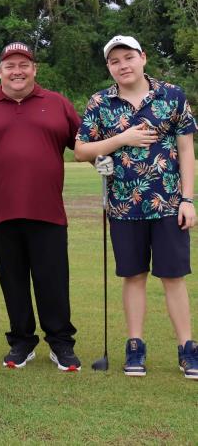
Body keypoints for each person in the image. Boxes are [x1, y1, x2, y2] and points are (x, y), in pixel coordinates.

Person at [74, 35, 197, 379]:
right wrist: (120, 141)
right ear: (109, 68)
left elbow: (187, 151)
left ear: (143, 57)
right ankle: (135, 346)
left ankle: (188, 348)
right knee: (133, 276)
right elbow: (81, 150)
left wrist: (189, 199)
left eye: (128, 57)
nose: (123, 65)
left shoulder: (171, 96)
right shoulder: (100, 102)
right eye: (115, 61)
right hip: (123, 206)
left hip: (170, 204)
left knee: (173, 276)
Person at [0, 42, 82, 372]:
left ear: (35, 69)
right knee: (12, 280)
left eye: (24, 64)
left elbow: (84, 146)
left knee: (53, 280)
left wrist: (109, 158)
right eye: (10, 65)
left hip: (47, 211)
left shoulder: (57, 104)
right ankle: (21, 342)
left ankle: (61, 343)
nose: (17, 71)